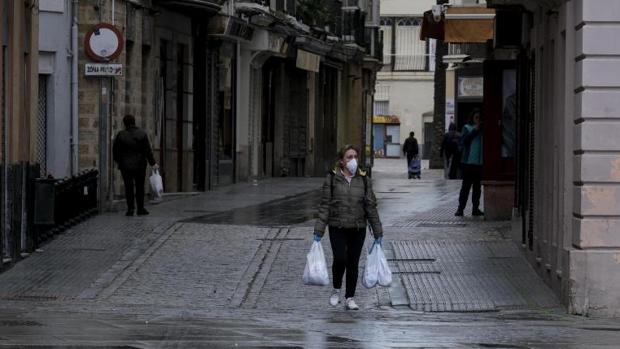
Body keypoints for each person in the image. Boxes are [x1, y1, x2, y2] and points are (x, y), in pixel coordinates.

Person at [313, 145, 383, 311]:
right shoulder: (332, 178)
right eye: (349, 157)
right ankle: (336, 289)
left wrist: (378, 231)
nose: (353, 160)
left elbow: (371, 206)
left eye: (355, 157)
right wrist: (319, 230)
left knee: (353, 262)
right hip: (337, 226)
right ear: (341, 161)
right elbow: (325, 205)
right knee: (340, 258)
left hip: (358, 228)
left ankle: (350, 297)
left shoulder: (364, 179)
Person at [113, 114, 158, 216]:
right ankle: (140, 208)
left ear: (124, 123)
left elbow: (116, 151)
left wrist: (120, 162)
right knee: (140, 187)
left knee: (128, 187)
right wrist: (153, 163)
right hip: (140, 165)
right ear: (134, 122)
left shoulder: (121, 135)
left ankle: (130, 209)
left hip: (126, 166)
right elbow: (147, 151)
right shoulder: (142, 134)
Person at [455, 110, 484, 217]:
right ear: (472, 118)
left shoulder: (482, 130)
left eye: (480, 117)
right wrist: (475, 130)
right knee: (466, 187)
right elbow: (464, 141)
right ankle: (460, 209)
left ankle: (475, 209)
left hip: (479, 163)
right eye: (476, 117)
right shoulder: (467, 128)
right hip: (468, 163)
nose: (478, 119)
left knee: (477, 188)